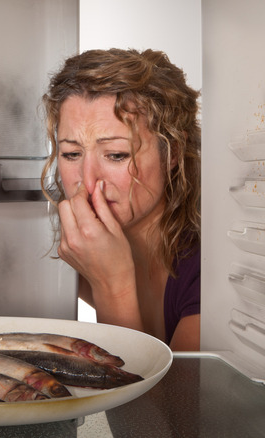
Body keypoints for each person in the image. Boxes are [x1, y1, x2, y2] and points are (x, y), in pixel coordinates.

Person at [41, 48, 201, 351]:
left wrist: (112, 288)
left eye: (116, 155)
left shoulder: (207, 272)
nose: (88, 182)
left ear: (173, 152)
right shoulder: (74, 250)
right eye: (72, 154)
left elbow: (175, 400)